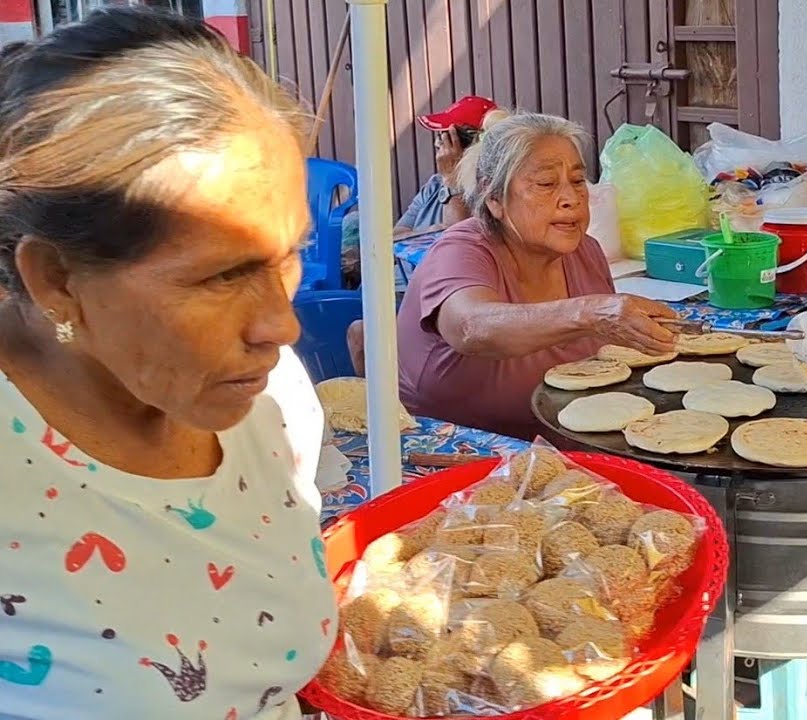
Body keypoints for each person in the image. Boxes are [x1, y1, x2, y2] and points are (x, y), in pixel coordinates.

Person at [0, 9, 334, 719]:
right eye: (221, 277)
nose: (282, 324)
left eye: (289, 254)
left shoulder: (272, 400)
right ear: (57, 278)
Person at [396, 112, 678, 440]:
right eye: (546, 184)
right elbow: (471, 329)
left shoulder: (585, 251)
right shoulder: (462, 249)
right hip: (448, 449)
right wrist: (591, 313)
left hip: (561, 439)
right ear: (495, 199)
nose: (571, 199)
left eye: (577, 181)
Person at [339, 96, 503, 286]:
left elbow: (458, 246)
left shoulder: (490, 192)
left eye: (443, 137)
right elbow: (392, 238)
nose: (437, 144)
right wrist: (430, 231)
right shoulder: (434, 185)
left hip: (430, 291)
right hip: (392, 286)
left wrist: (453, 181)